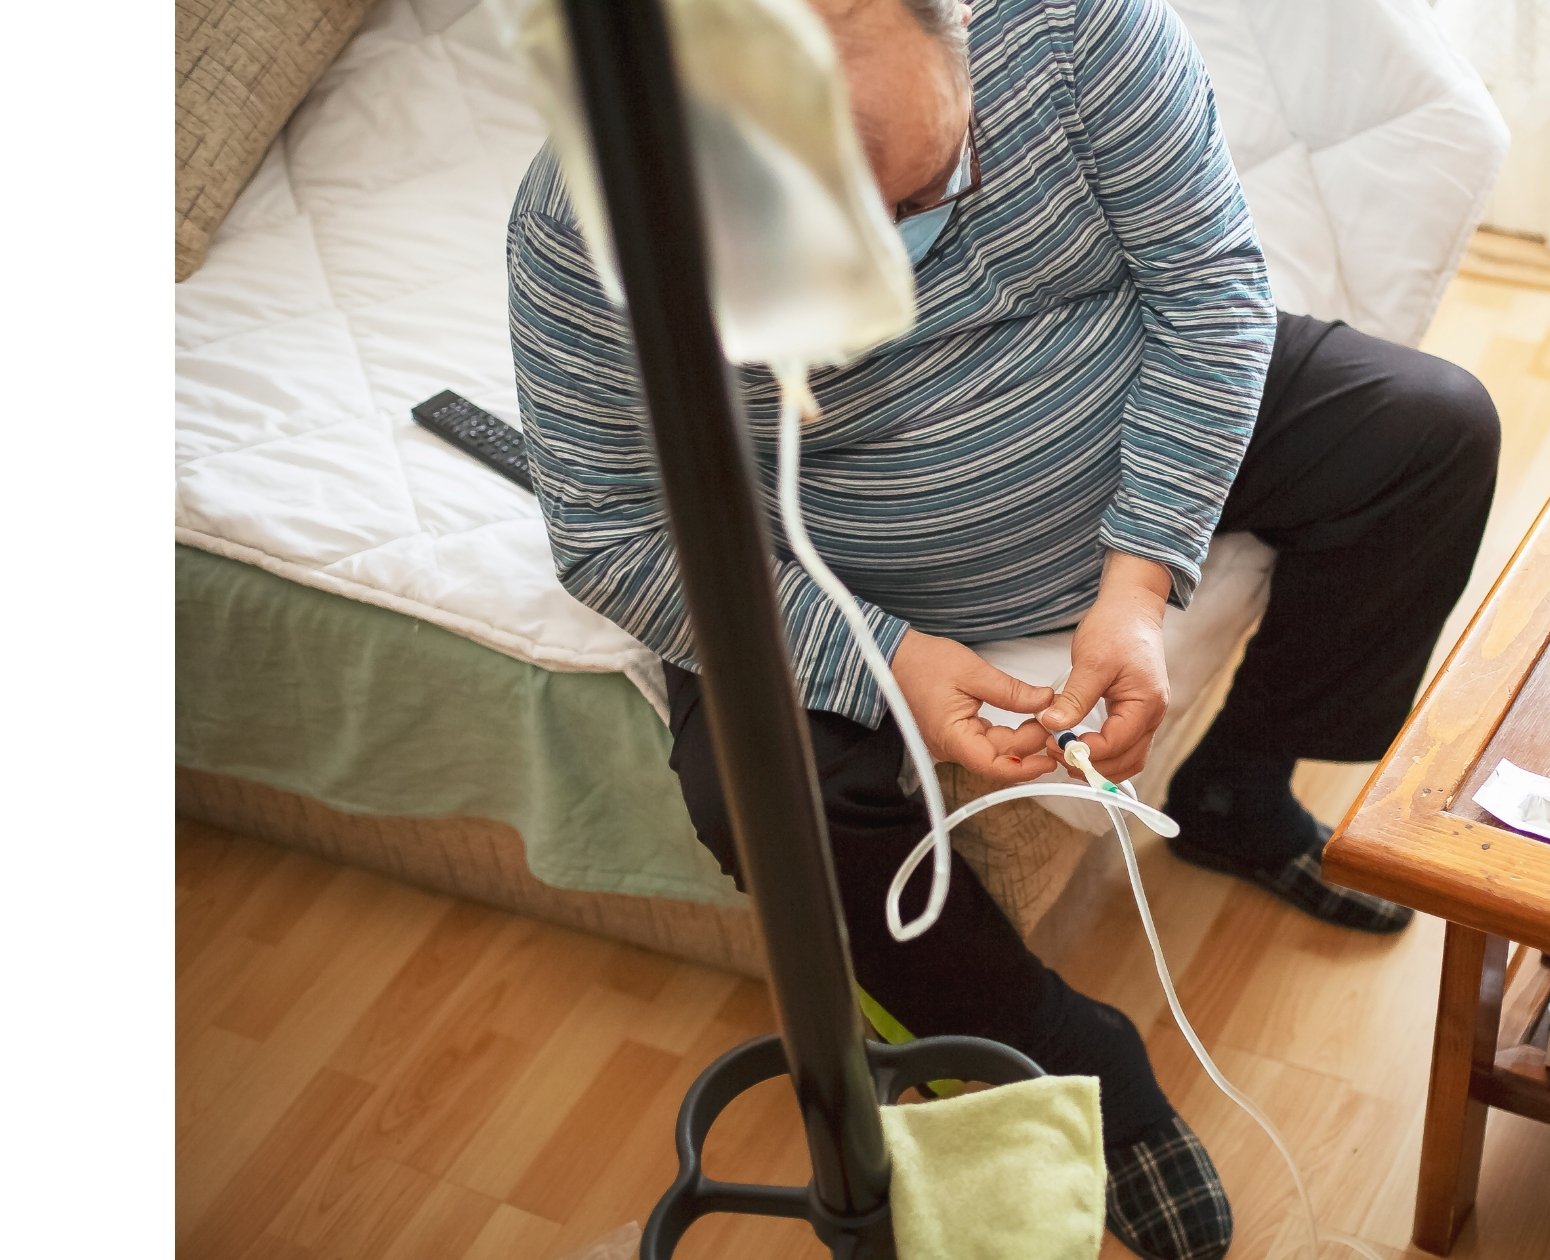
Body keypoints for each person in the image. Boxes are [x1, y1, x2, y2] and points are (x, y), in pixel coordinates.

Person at [507, 1, 1499, 1255]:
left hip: (1114, 402)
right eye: (837, 231)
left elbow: (1208, 286)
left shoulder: (1083, 28)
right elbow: (604, 529)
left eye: (927, 186)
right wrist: (887, 659)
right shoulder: (592, 216)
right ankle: (1067, 1060)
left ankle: (1244, 790)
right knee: (759, 792)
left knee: (1430, 431)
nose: (900, 256)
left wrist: (1139, 580)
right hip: (853, 556)